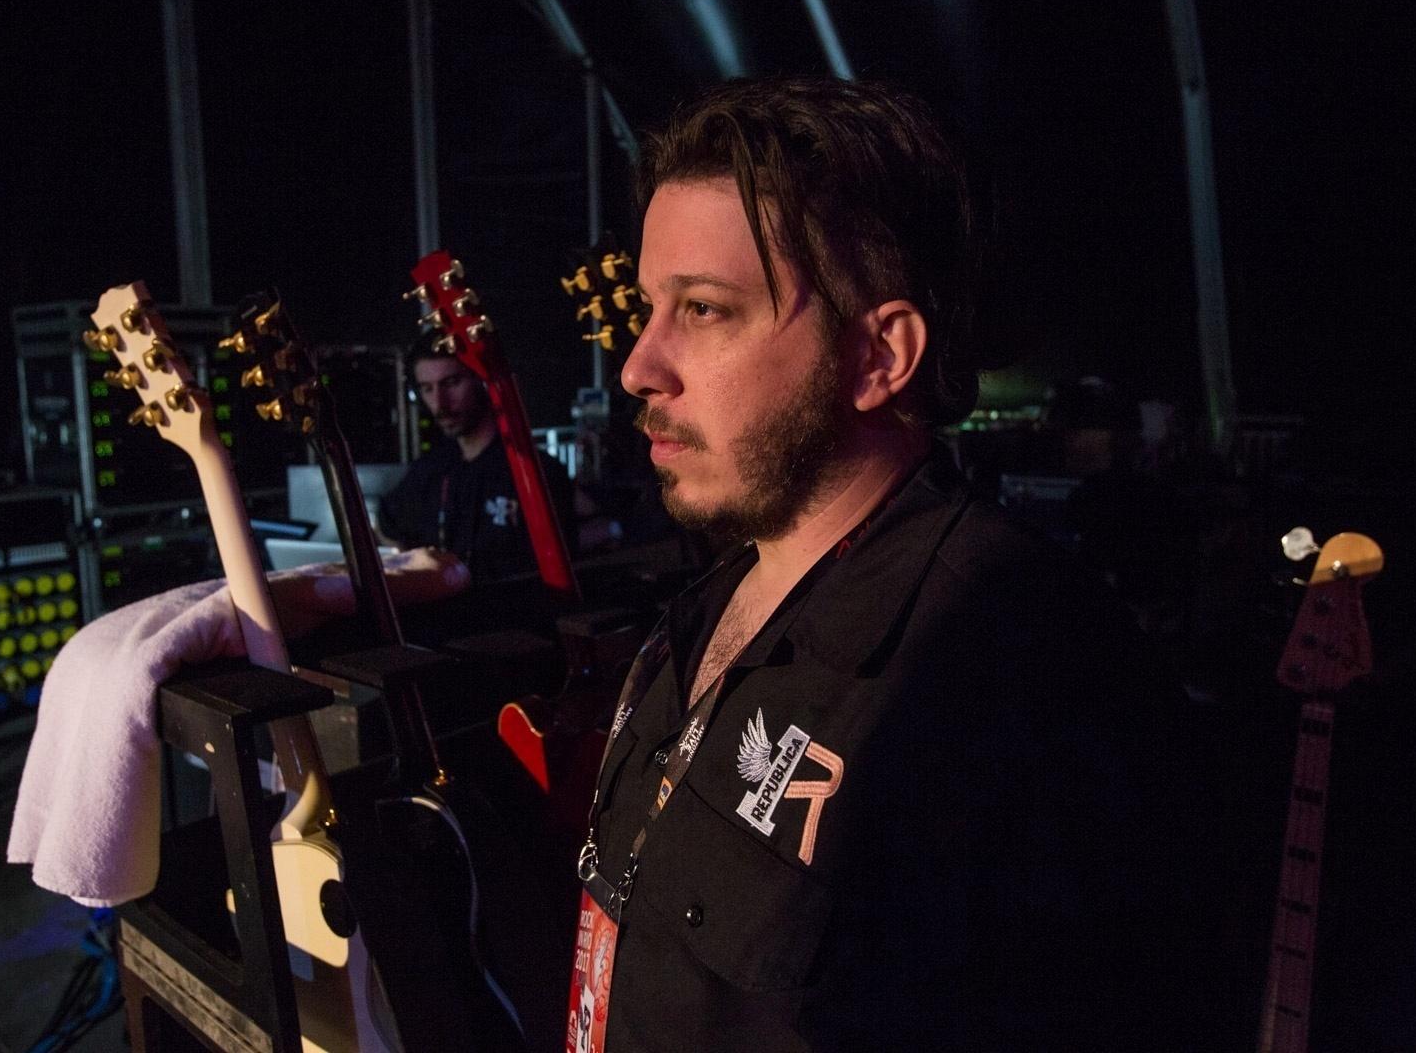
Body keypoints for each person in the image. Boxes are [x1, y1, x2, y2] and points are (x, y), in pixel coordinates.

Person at [565, 76, 1215, 1051]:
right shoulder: (703, 610)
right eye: (651, 308)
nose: (638, 367)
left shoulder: (1013, 672)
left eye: (701, 310)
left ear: (879, 357)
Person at [378, 345, 577, 584]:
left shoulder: (532, 470)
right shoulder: (431, 468)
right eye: (427, 388)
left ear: (480, 382)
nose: (439, 403)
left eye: (451, 382)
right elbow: (387, 524)